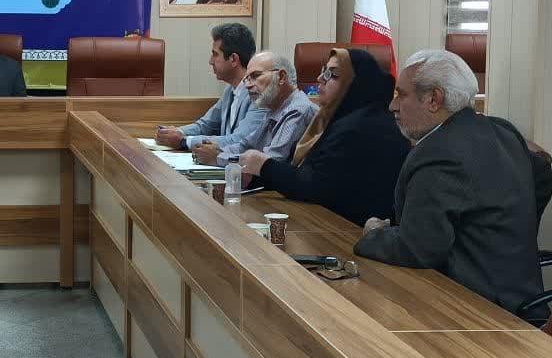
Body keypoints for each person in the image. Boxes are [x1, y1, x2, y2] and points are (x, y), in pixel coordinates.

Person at [355, 50, 552, 317]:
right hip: (521, 299)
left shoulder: (439, 153)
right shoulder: (501, 130)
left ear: (433, 99)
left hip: (479, 313)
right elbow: (543, 175)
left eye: (401, 95)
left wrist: (374, 233)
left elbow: (416, 248)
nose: (392, 106)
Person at [238, 48, 410, 226]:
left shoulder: (361, 127)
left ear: (355, 83)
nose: (320, 78)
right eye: (323, 71)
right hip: (329, 221)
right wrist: (258, 175)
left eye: (332, 74)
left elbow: (315, 186)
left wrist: (264, 166)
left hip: (350, 231)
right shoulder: (337, 118)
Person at [192, 51, 316, 167]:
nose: (248, 85)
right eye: (247, 79)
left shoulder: (298, 110)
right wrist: (217, 150)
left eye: (255, 76)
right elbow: (246, 146)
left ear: (282, 77)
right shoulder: (273, 108)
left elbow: (271, 162)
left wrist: (218, 157)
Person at [155, 23, 267, 150]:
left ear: (233, 59)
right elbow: (206, 125)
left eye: (215, 54)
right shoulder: (230, 89)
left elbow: (239, 140)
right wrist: (176, 132)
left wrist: (184, 141)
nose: (210, 61)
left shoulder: (258, 94)